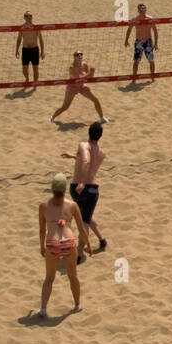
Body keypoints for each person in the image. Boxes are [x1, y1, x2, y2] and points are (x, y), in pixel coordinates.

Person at [37, 174, 89, 316]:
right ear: (65, 189)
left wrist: (42, 247)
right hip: (68, 243)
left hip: (52, 244)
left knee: (49, 278)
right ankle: (77, 305)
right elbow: (81, 228)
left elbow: (42, 230)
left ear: (52, 189)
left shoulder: (44, 206)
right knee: (73, 276)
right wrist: (88, 245)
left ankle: (43, 308)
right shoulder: (72, 205)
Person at [62, 122, 108, 255]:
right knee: (86, 216)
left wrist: (81, 182)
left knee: (84, 222)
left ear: (88, 132)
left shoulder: (83, 145)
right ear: (100, 136)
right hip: (94, 190)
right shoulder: (101, 153)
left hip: (80, 188)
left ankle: (80, 253)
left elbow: (86, 160)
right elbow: (87, 160)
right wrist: (73, 157)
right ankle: (102, 239)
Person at [50, 51, 108, 123]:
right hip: (72, 87)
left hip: (81, 86)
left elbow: (89, 78)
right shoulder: (72, 67)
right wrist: (90, 73)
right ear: (74, 57)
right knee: (65, 106)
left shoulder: (85, 65)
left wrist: (92, 73)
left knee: (95, 99)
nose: (80, 55)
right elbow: (79, 79)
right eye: (77, 55)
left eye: (81, 54)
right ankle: (52, 117)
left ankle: (102, 118)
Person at [124, 3, 159, 82]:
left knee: (151, 60)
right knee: (136, 61)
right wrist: (126, 40)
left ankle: (152, 77)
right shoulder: (134, 20)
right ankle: (134, 78)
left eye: (144, 8)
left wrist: (156, 43)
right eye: (141, 9)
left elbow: (155, 32)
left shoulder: (150, 19)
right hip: (138, 42)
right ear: (138, 11)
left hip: (148, 41)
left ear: (146, 9)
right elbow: (129, 30)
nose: (143, 10)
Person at [15, 11, 45, 88]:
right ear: (24, 18)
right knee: (25, 68)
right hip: (25, 50)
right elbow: (19, 39)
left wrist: (42, 51)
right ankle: (27, 78)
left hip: (34, 49)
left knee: (35, 68)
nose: (28, 17)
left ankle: (35, 84)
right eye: (26, 16)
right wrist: (16, 50)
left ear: (32, 17)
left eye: (30, 16)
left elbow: (41, 39)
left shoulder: (36, 27)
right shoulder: (21, 27)